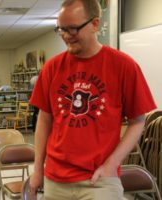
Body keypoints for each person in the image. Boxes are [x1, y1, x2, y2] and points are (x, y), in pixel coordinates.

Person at [29, 1, 156, 200]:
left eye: (72, 29)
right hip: (56, 179)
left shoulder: (124, 66)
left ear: (95, 24)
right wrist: (38, 170)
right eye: (61, 29)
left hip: (100, 180)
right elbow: (44, 120)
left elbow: (137, 121)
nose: (65, 36)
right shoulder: (52, 68)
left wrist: (112, 164)